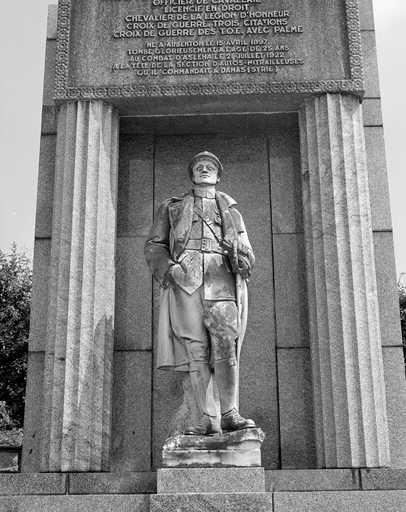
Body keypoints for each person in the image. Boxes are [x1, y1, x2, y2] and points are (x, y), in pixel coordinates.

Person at [145, 151, 256, 435]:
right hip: (186, 280)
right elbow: (155, 245)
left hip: (221, 279)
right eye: (199, 166)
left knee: (226, 345)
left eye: (210, 167)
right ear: (192, 174)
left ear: (218, 176)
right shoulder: (172, 207)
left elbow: (248, 254)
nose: (204, 169)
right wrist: (171, 269)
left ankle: (230, 413)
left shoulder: (232, 212)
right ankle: (207, 417)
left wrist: (240, 256)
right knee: (196, 351)